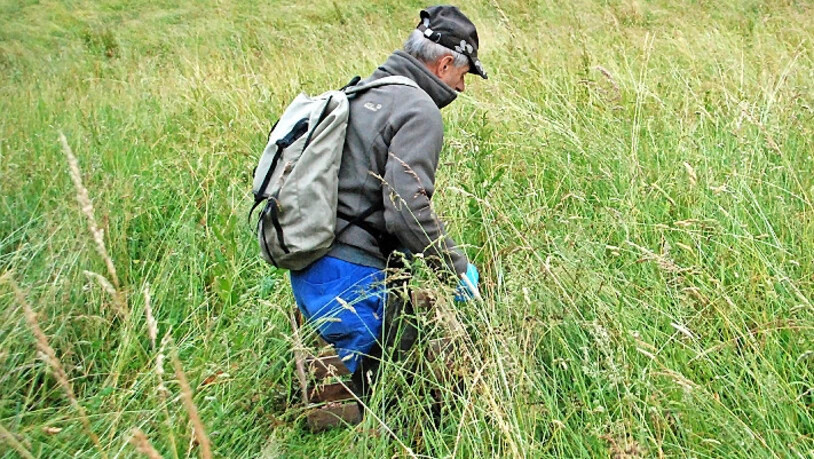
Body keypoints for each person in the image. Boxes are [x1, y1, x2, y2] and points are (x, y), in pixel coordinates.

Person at [289, 5, 486, 403]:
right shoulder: (419, 109)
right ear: (445, 63)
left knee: (348, 396)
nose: (462, 88)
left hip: (312, 271)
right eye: (464, 75)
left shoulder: (363, 91)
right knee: (401, 407)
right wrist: (456, 270)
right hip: (354, 280)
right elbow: (405, 209)